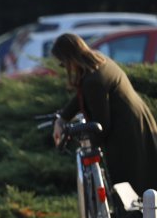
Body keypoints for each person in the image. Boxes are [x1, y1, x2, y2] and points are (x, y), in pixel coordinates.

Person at [51, 33, 157, 196]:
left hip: (126, 132)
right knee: (144, 180)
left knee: (131, 189)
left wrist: (84, 142)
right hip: (137, 120)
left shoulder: (93, 81)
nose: (64, 68)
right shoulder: (99, 62)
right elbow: (83, 94)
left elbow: (101, 126)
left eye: (62, 63)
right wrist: (63, 118)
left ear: (69, 59)